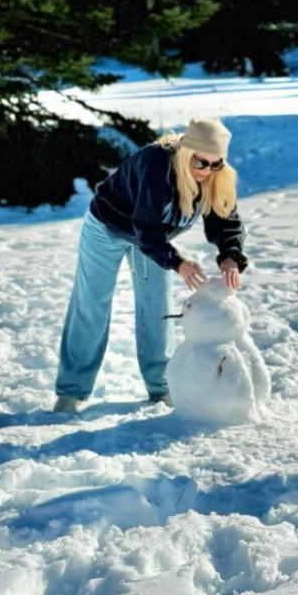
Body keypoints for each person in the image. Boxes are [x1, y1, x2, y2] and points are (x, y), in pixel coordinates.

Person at [52, 118, 248, 413]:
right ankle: (71, 391)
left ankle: (161, 388)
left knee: (156, 306)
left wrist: (230, 254)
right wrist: (177, 262)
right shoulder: (157, 165)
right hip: (107, 229)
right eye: (200, 162)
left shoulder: (215, 178)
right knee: (92, 303)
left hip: (153, 238)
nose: (206, 171)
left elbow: (225, 220)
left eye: (215, 164)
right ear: (185, 152)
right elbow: (146, 226)